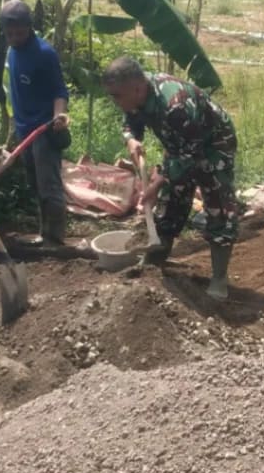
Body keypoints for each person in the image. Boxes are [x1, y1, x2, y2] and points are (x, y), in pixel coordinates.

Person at [101, 56, 239, 300]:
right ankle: (155, 261)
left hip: (213, 146)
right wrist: (131, 139)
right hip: (180, 146)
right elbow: (131, 121)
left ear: (136, 88)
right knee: (171, 203)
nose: (115, 101)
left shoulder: (175, 105)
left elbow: (192, 153)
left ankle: (219, 279)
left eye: (117, 95)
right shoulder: (137, 97)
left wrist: (156, 182)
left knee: (218, 207)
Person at [0, 0, 72, 246]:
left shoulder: (44, 53)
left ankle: (56, 239)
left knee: (49, 185)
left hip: (43, 130)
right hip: (23, 129)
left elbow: (59, 91)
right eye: (9, 33)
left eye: (19, 33)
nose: (14, 37)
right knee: (35, 184)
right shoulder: (11, 50)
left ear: (29, 28)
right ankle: (45, 232)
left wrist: (58, 117)